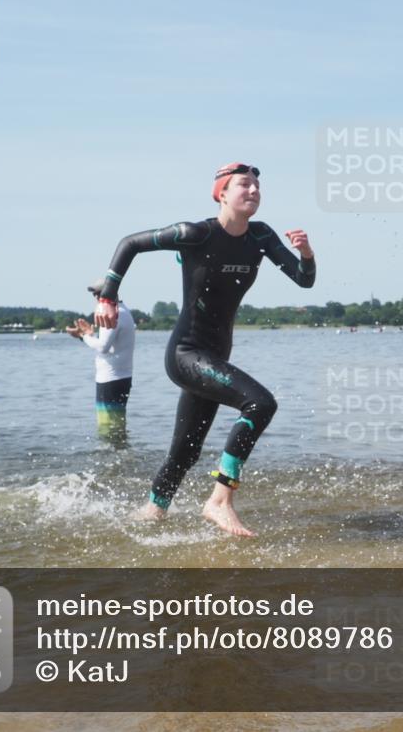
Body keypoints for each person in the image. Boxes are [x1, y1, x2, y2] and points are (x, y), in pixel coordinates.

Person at [93, 162, 316, 536]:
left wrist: (306, 253)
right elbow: (130, 244)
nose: (254, 191)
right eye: (244, 184)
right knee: (260, 403)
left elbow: (303, 281)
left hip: (214, 358)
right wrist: (107, 297)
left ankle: (151, 512)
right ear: (222, 194)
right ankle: (219, 501)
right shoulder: (195, 233)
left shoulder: (260, 237)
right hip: (186, 354)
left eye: (258, 186)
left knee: (185, 452)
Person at [67, 279, 136, 442]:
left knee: (108, 429)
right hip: (121, 378)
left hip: (110, 379)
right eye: (95, 295)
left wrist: (84, 336)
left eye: (100, 294)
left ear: (111, 293)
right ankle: (120, 461)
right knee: (117, 426)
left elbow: (103, 347)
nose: (98, 299)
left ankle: (112, 463)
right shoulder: (124, 311)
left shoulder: (113, 314)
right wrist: (90, 335)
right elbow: (109, 345)